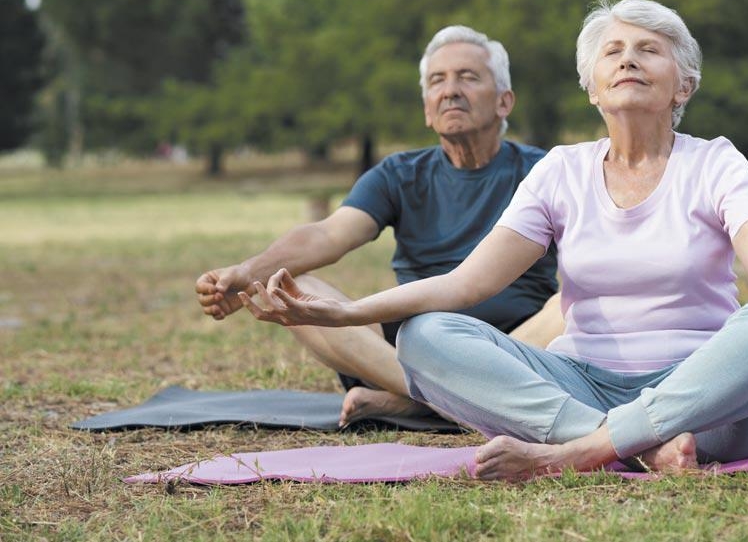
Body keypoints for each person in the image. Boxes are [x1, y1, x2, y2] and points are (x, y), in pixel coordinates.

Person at [238, 0, 748, 481]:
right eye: (613, 50)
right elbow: (465, 285)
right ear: (592, 85)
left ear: (682, 81)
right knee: (426, 335)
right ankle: (626, 445)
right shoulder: (561, 171)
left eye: (649, 50)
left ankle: (579, 453)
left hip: (708, 402)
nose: (628, 59)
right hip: (583, 386)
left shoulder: (715, 161)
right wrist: (347, 311)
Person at [195, 25, 562, 426]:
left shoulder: (545, 170)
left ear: (504, 102)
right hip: (412, 347)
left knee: (571, 305)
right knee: (292, 287)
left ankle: (416, 402)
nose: (450, 90)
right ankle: (448, 398)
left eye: (468, 77)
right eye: (437, 81)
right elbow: (329, 234)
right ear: (427, 108)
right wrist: (248, 272)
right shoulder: (398, 174)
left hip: (518, 343)